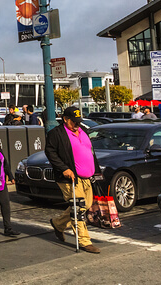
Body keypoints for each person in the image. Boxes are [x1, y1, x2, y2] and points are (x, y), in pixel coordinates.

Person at [45, 106, 102, 254]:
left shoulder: (82, 130)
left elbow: (90, 151)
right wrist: (64, 168)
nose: (77, 124)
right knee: (79, 208)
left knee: (86, 204)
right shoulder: (56, 134)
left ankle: (58, 224)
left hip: (87, 176)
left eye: (78, 121)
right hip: (70, 177)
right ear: (65, 119)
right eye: (74, 121)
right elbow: (50, 152)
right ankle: (84, 241)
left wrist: (95, 171)